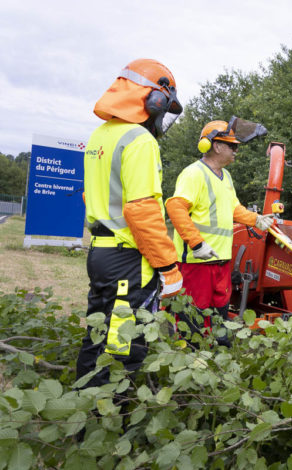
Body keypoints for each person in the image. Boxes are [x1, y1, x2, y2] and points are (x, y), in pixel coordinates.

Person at [76, 59, 184, 388]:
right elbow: (141, 211)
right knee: (125, 347)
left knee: (97, 336)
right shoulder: (139, 140)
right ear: (154, 101)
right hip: (127, 262)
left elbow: (89, 196)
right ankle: (114, 424)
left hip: (101, 253)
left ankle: (84, 417)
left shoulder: (100, 136)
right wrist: (169, 268)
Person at [165, 118, 274, 347]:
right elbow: (176, 207)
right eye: (232, 145)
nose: (236, 150)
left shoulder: (226, 177)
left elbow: (233, 208)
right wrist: (197, 243)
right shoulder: (194, 173)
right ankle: (190, 360)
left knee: (219, 315)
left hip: (221, 261)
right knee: (192, 317)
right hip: (197, 262)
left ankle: (217, 357)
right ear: (216, 146)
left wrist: (256, 220)